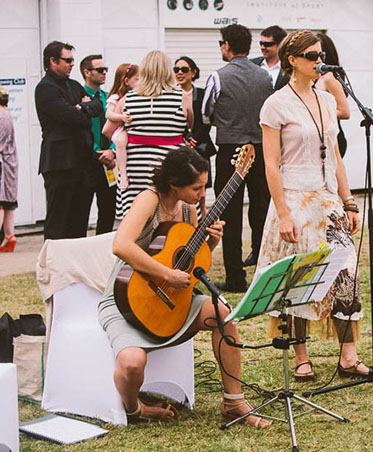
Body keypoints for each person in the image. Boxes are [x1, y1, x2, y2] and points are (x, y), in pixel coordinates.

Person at [98, 147, 270, 427]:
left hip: (173, 299)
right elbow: (121, 245)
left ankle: (234, 401)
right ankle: (134, 409)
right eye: (196, 188)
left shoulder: (188, 209)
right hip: (128, 296)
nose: (202, 194)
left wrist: (211, 242)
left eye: (204, 186)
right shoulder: (148, 199)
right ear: (173, 184)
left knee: (225, 314)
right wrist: (167, 272)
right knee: (131, 363)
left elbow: (189, 259)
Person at [258, 30, 368, 381]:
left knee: (346, 273)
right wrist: (284, 213)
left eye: (320, 54)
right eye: (311, 55)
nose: (318, 60)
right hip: (293, 198)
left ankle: (348, 356)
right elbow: (270, 164)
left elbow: (335, 155)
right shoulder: (275, 104)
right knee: (299, 281)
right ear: (292, 60)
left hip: (327, 199)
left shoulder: (324, 100)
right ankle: (301, 356)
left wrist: (348, 201)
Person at [202, 24, 273, 291]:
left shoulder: (219, 76)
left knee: (228, 214)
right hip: (261, 147)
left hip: (231, 148)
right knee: (261, 211)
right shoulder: (265, 77)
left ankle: (235, 278)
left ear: (227, 45)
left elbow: (207, 113)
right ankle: (262, 274)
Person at [35, 41, 103, 240]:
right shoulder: (45, 88)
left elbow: (97, 107)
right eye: (68, 60)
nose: (72, 64)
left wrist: (82, 108)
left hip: (83, 162)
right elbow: (72, 118)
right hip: (60, 164)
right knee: (59, 219)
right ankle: (53, 266)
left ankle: (74, 266)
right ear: (53, 61)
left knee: (79, 220)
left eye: (73, 60)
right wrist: (82, 109)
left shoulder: (74, 86)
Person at [116, 50, 192, 219]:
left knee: (136, 217)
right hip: (169, 162)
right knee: (170, 213)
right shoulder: (182, 96)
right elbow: (189, 124)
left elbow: (109, 128)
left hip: (136, 164)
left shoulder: (128, 99)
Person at [174, 56, 216, 220]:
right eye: (176, 69)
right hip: (179, 144)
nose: (180, 73)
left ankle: (202, 215)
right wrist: (184, 138)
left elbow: (208, 120)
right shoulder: (172, 94)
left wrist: (194, 140)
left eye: (184, 69)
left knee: (201, 183)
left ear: (193, 72)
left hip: (201, 145)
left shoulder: (202, 93)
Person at [81, 54, 117, 234]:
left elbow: (118, 128)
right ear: (87, 72)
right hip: (89, 160)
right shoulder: (79, 97)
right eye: (100, 70)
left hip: (109, 161)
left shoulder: (108, 98)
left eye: (106, 70)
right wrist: (96, 152)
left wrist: (112, 151)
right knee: (82, 210)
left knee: (108, 209)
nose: (104, 73)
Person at [102, 63, 140, 190]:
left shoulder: (136, 96)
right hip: (120, 129)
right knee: (120, 141)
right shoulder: (116, 97)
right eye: (137, 79)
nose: (139, 82)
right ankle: (123, 173)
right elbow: (109, 114)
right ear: (126, 81)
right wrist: (121, 117)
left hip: (129, 128)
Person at [315, 33, 350, 158]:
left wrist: (315, 112)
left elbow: (345, 112)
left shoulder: (329, 78)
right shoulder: (311, 77)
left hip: (332, 139)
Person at [0, 87, 18, 252]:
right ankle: (9, 236)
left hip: (1, 162)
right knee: (8, 203)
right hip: (9, 160)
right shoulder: (6, 113)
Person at [250, 25, 290, 91]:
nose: (262, 47)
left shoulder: (290, 69)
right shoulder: (251, 64)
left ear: (280, 45)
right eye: (261, 43)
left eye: (267, 44)